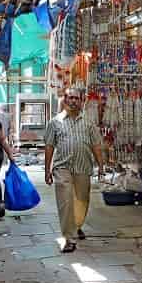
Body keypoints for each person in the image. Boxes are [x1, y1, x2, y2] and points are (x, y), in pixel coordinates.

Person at [44, 88, 105, 253]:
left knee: (82, 200)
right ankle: (68, 237)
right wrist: (47, 169)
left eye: (76, 98)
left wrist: (100, 165)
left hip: (83, 167)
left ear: (82, 101)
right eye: (70, 98)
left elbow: (96, 146)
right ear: (65, 99)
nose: (73, 101)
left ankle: (77, 225)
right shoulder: (55, 122)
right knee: (65, 201)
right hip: (62, 167)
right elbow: (49, 146)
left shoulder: (88, 122)